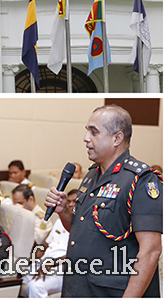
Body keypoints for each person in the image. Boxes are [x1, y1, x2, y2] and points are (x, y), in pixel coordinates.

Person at [45, 105, 161, 297]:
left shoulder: (140, 179)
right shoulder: (92, 174)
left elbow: (151, 250)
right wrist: (63, 210)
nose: (85, 138)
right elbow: (81, 230)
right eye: (87, 131)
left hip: (111, 292)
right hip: (78, 285)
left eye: (94, 132)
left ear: (117, 138)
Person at [23, 189, 76, 298]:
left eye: (75, 201)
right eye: (68, 201)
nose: (71, 204)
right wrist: (30, 259)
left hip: (63, 270)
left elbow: (78, 255)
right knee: (17, 278)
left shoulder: (85, 225)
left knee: (35, 286)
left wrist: (52, 263)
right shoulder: (60, 220)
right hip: (44, 264)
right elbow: (46, 244)